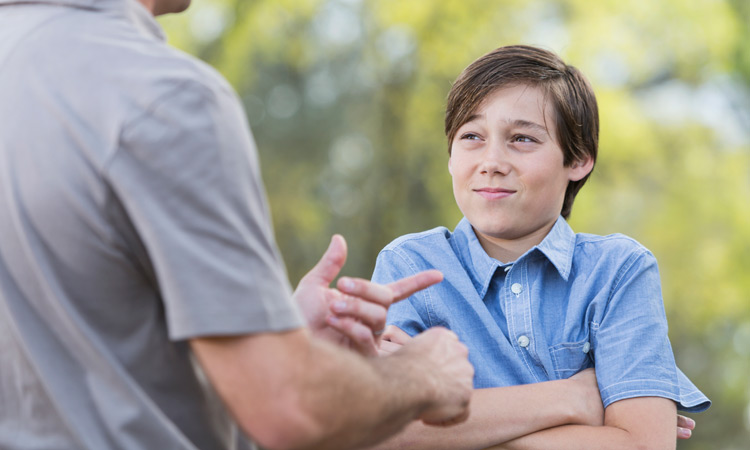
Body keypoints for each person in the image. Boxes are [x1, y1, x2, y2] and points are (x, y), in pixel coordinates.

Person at [0, 0, 477, 449]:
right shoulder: (164, 97)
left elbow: (70, 360)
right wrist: (425, 373)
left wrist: (274, 337)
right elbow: (288, 408)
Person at [369, 45, 710, 449]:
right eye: (472, 136)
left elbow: (643, 445)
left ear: (578, 158)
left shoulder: (617, 272)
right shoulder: (410, 266)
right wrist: (574, 399)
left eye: (522, 139)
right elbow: (378, 432)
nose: (491, 160)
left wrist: (453, 432)